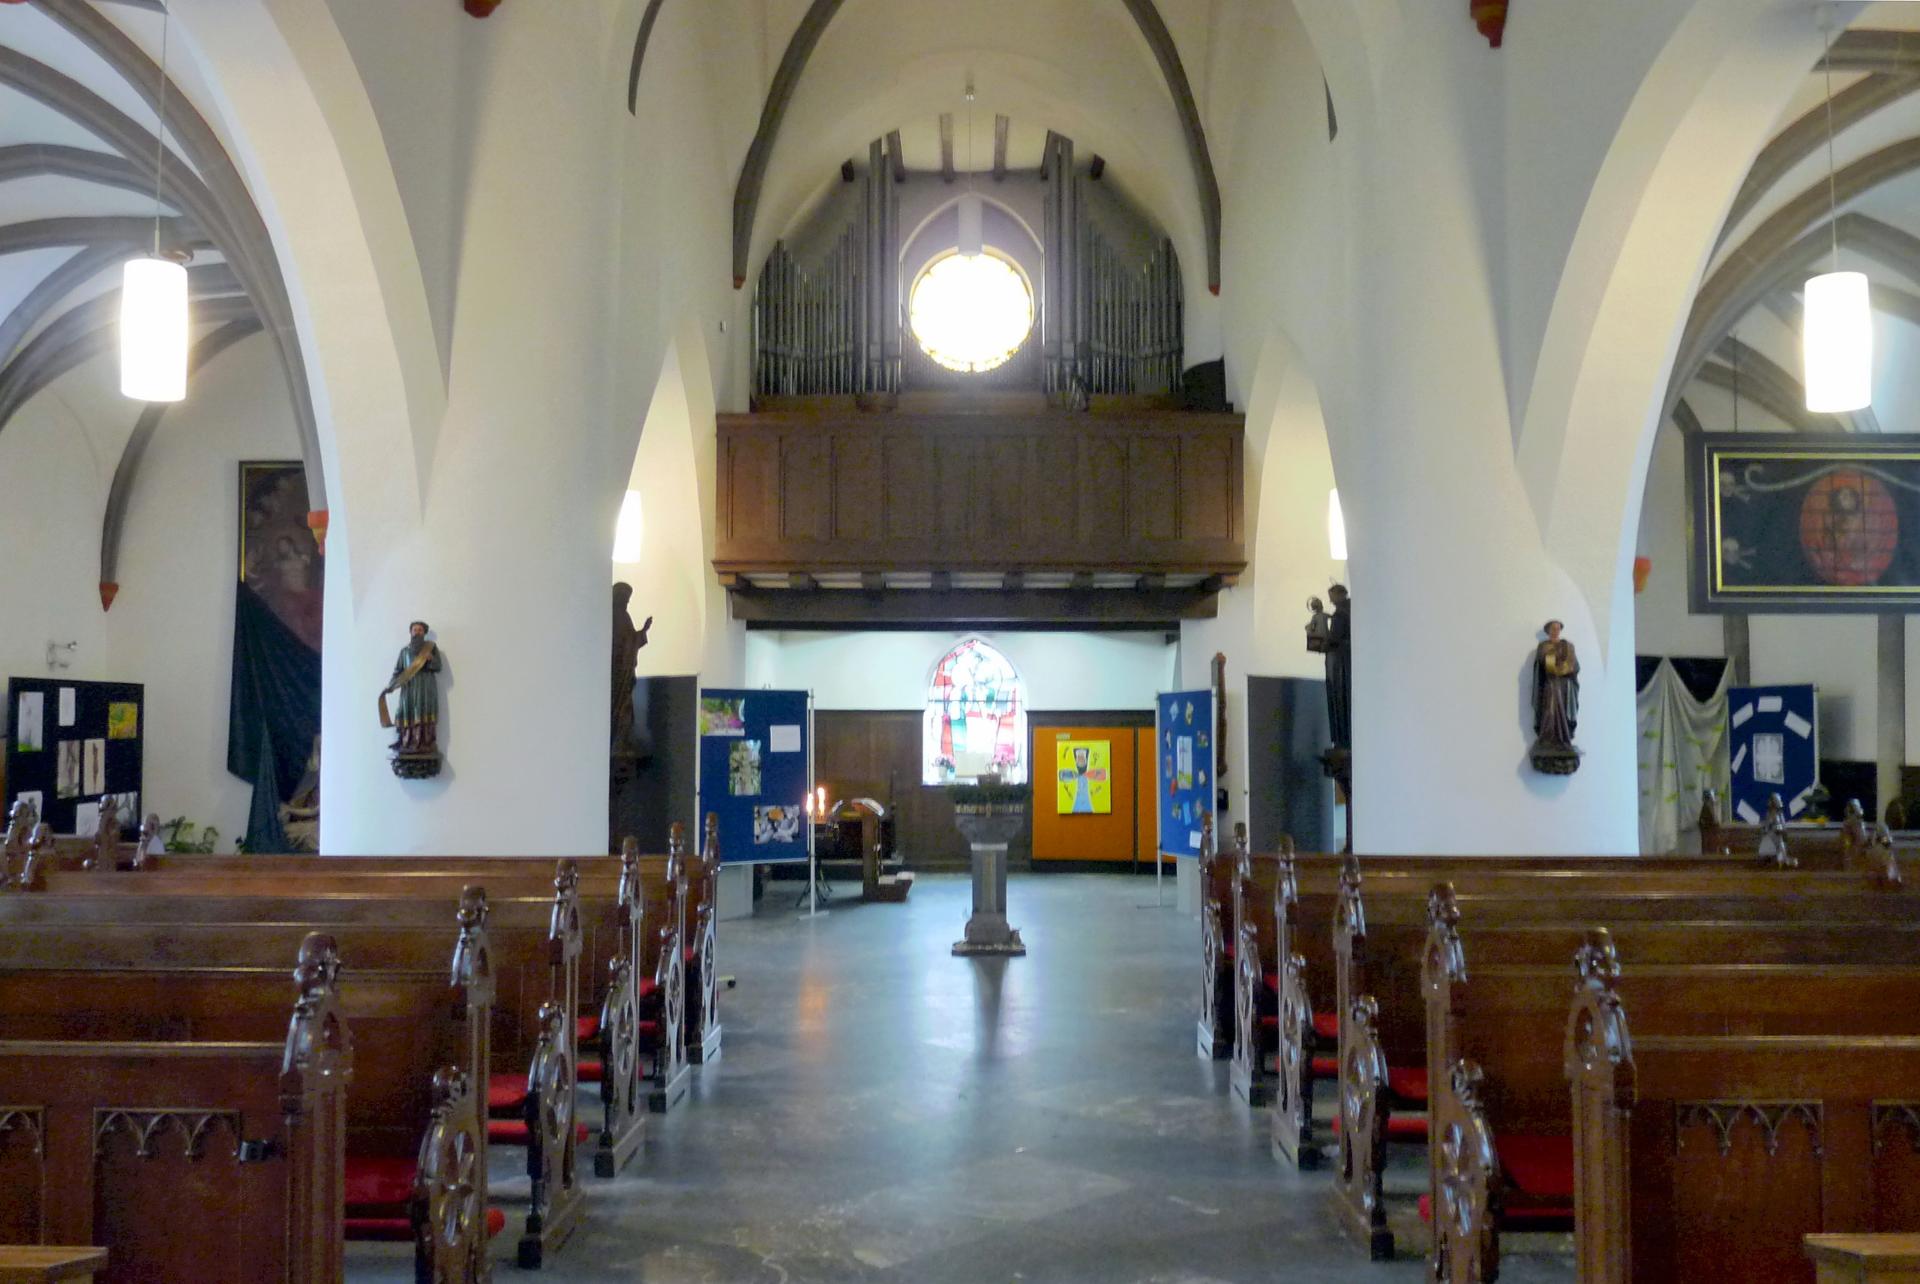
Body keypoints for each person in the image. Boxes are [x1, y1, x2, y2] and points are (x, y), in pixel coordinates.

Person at [383, 621, 443, 754]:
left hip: (425, 688)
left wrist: (431, 659)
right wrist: (391, 686)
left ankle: (426, 743)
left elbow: (438, 667)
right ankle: (406, 741)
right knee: (407, 711)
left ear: (424, 633)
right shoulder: (404, 652)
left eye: (420, 630)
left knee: (424, 711)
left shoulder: (431, 648)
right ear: (410, 632)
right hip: (409, 687)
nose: (417, 632)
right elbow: (398, 671)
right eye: (414, 630)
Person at [611, 584, 652, 750]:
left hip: (624, 673)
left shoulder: (624, 616)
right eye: (626, 600)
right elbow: (624, 643)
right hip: (616, 673)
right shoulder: (615, 616)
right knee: (618, 710)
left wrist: (644, 630)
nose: (627, 603)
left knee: (625, 714)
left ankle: (622, 743)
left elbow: (631, 641)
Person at [1531, 619, 1579, 753]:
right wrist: (1551, 660)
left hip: (1564, 685)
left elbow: (1573, 665)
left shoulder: (1568, 646)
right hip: (1550, 683)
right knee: (1550, 710)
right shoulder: (1543, 646)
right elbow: (1543, 662)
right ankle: (1548, 739)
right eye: (1553, 628)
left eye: (1558, 628)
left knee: (1562, 709)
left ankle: (1563, 737)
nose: (1556, 631)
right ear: (1548, 631)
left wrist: (1562, 668)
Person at [1324, 585, 1351, 751]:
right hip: (1345, 659)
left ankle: (1342, 740)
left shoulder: (1341, 614)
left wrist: (1325, 642)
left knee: (1340, 698)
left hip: (1341, 662)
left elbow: (1334, 639)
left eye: (1331, 596)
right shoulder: (1351, 609)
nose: (1330, 600)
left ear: (1340, 594)